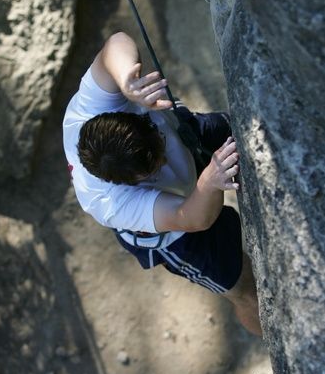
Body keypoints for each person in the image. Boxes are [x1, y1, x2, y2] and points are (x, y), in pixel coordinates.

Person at [63, 31, 262, 336]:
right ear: (134, 182)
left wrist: (128, 82)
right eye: (157, 167)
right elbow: (194, 218)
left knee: (252, 127)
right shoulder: (114, 203)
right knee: (246, 289)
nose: (166, 161)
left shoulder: (90, 111)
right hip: (178, 236)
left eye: (158, 148)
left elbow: (116, 43)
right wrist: (208, 181)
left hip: (185, 134)